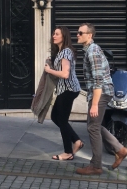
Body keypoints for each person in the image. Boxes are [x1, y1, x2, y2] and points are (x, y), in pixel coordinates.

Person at [76, 22, 127, 175]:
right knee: (95, 125)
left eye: (80, 33)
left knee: (92, 127)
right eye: (78, 32)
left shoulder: (92, 51)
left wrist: (94, 104)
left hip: (100, 93)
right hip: (101, 92)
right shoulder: (91, 50)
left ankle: (96, 166)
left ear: (89, 35)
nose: (77, 35)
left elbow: (98, 80)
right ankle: (120, 149)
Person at [44, 26, 84, 161]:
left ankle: (68, 152)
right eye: (53, 34)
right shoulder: (62, 52)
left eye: (56, 34)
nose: (53, 36)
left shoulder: (66, 52)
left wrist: (49, 70)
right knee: (56, 117)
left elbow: (65, 74)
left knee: (61, 120)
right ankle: (76, 141)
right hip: (66, 89)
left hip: (68, 89)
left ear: (64, 36)